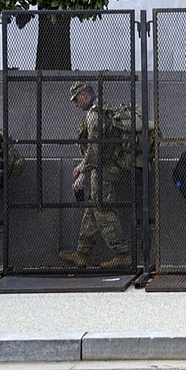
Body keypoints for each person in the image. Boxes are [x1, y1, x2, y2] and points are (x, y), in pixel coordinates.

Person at [58, 82, 132, 269]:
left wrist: (83, 168)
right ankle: (82, 254)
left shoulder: (94, 115)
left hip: (104, 170)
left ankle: (122, 253)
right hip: (102, 168)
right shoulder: (101, 110)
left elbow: (94, 147)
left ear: (84, 95)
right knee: (92, 210)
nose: (75, 104)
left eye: (76, 99)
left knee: (103, 209)